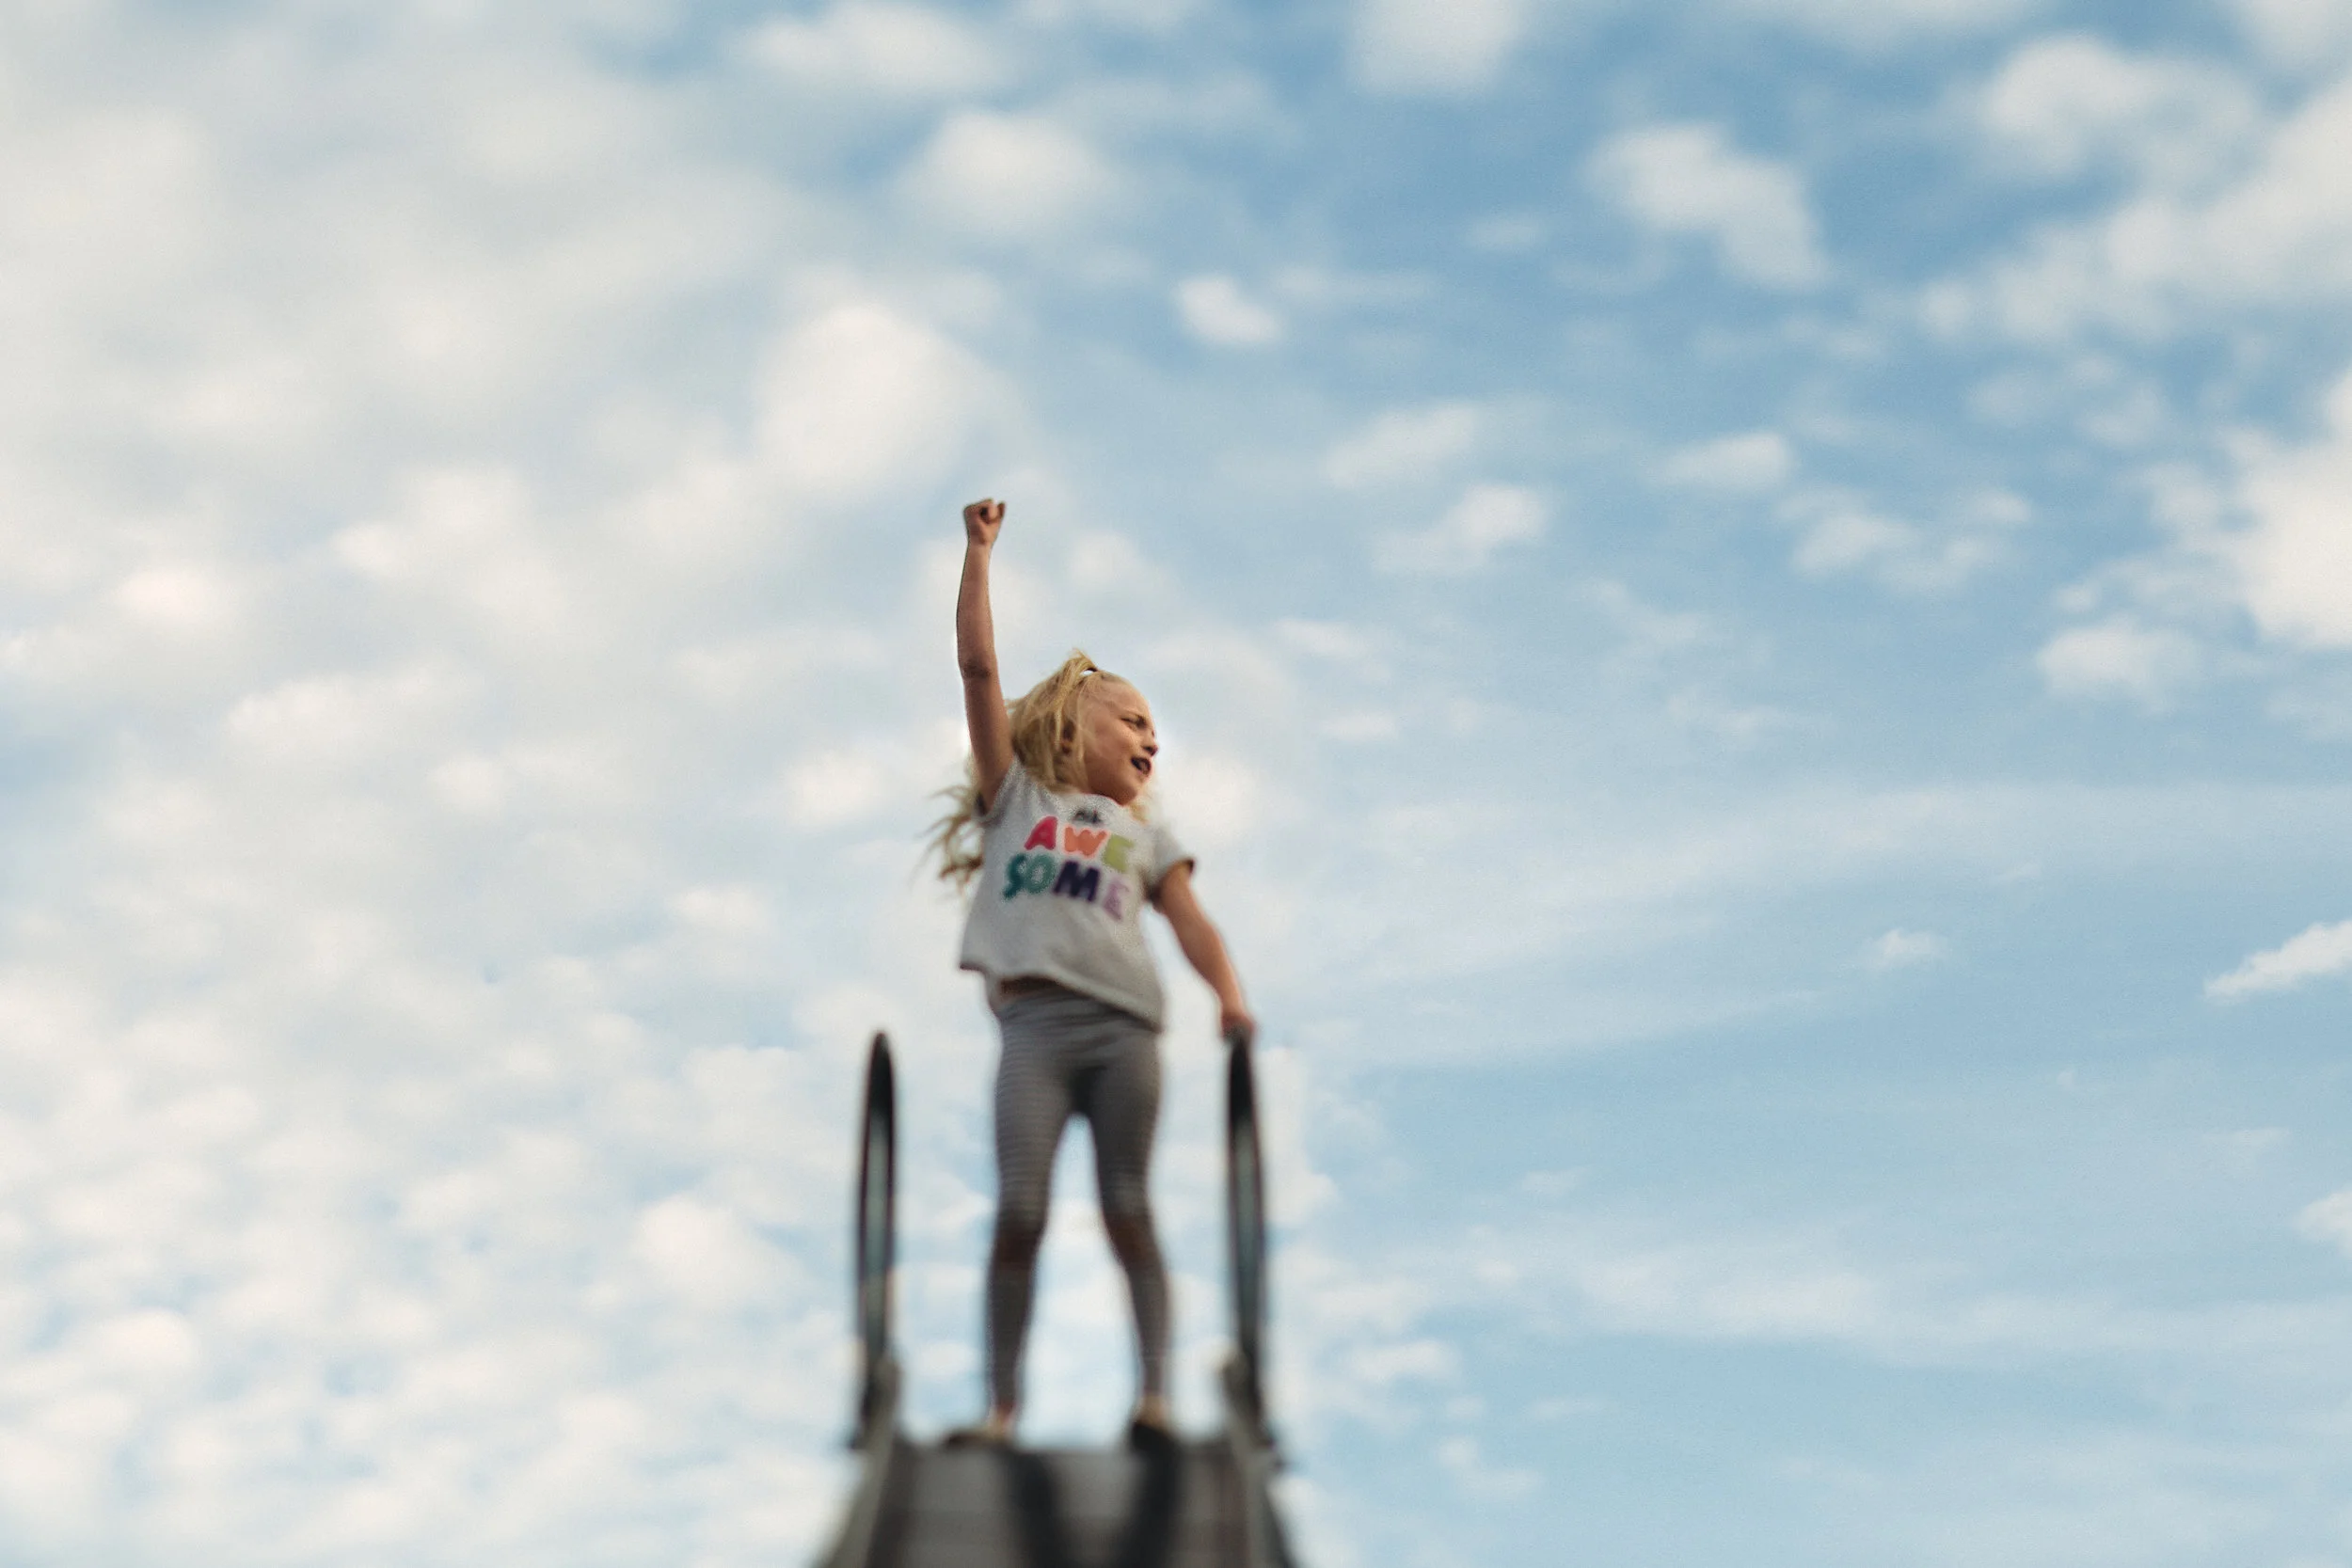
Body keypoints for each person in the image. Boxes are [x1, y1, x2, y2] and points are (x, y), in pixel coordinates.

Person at [930, 496, 1252, 1448]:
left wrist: (1229, 998)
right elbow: (979, 669)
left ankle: (1153, 1397)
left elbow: (1190, 920)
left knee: (1125, 1204)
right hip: (1034, 1027)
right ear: (1079, 722)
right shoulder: (1015, 795)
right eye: (1136, 720)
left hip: (1123, 1028)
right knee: (1021, 1207)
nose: (1152, 742)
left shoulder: (1145, 831)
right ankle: (1000, 1408)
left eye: (1157, 732)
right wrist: (979, 553)